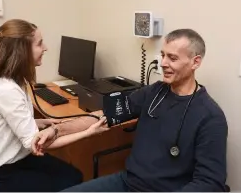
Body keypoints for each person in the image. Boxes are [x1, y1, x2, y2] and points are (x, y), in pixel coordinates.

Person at [33, 28, 228, 192]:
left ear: (195, 62)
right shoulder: (154, 92)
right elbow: (102, 116)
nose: (163, 63)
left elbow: (209, 183)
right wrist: (56, 130)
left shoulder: (210, 117)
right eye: (162, 55)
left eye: (172, 58)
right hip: (127, 183)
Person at [0, 19, 109, 192]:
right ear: (22, 52)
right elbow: (39, 144)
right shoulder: (6, 90)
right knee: (69, 182)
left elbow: (8, 123)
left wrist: (37, 123)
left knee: (73, 175)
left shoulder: (15, 82)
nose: (45, 48)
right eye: (39, 44)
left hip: (19, 159)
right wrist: (89, 132)